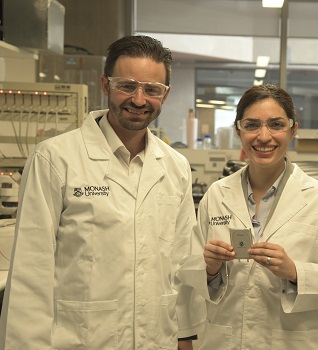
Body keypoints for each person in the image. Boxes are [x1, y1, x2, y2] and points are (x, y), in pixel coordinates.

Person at [0, 35, 203, 350]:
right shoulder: (56, 158)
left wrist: (184, 336)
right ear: (106, 85)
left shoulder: (175, 167)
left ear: (166, 95)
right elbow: (31, 269)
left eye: (152, 89)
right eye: (127, 86)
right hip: (81, 339)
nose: (138, 99)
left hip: (155, 339)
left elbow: (181, 262)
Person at [176, 83, 318, 350]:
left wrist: (295, 272)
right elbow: (187, 270)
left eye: (276, 124)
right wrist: (209, 268)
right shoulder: (217, 195)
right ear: (238, 131)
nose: (264, 136)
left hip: (291, 341)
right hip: (223, 340)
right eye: (252, 125)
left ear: (293, 130)